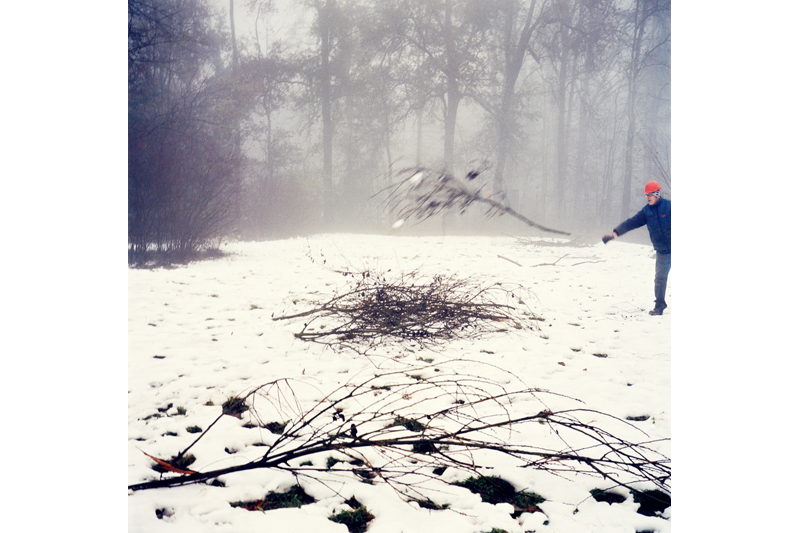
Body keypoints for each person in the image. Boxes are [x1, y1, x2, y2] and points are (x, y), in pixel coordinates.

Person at [602, 181, 671, 315]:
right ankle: (659, 306)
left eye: (650, 194)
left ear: (657, 194)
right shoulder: (646, 212)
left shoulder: (669, 207)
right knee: (660, 279)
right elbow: (632, 222)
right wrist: (615, 233)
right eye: (646, 195)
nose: (647, 197)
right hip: (663, 252)